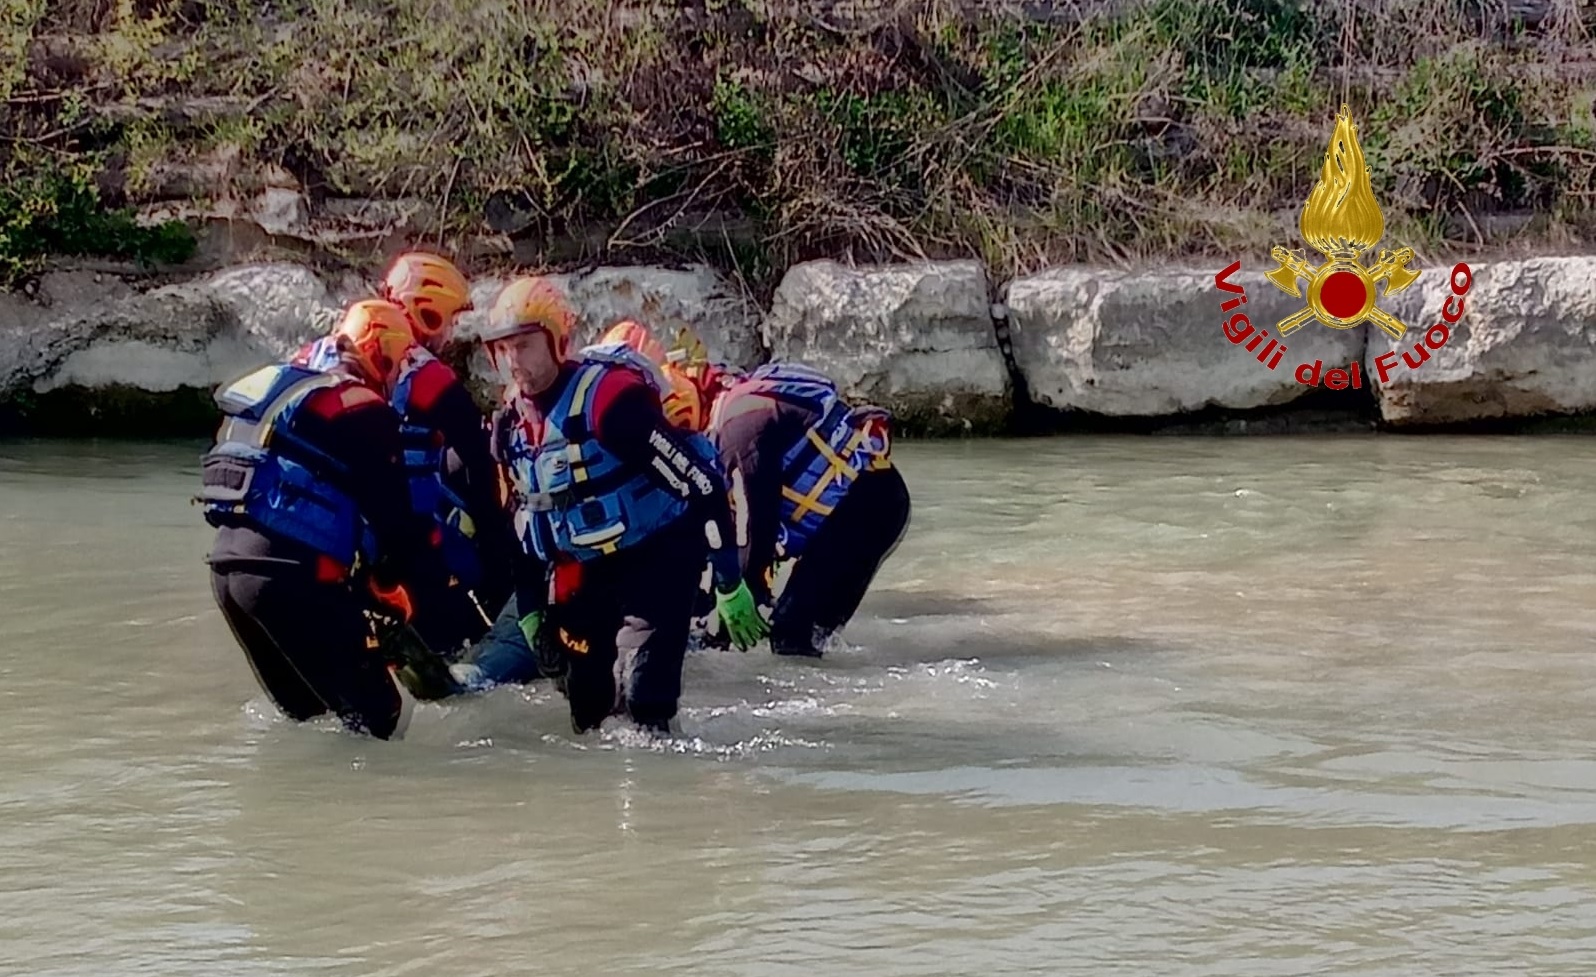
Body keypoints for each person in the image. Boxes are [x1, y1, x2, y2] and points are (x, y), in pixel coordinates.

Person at [472, 276, 767, 734]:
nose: (515, 361)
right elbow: (523, 522)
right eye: (503, 349)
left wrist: (729, 582)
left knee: (641, 700)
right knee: (588, 712)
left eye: (525, 346)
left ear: (558, 342)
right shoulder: (509, 425)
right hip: (588, 569)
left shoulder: (611, 404)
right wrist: (531, 612)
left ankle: (657, 788)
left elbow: (702, 486)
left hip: (659, 555)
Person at [199, 301, 447, 739]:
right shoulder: (364, 409)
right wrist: (396, 589)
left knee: (308, 718)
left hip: (227, 575)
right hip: (291, 578)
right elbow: (394, 524)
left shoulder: (288, 398)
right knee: (381, 718)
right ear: (383, 354)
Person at [295, 253, 514, 657]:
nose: (448, 335)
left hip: (323, 530)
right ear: (425, 313)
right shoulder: (427, 375)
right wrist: (501, 550)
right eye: (447, 321)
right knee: (464, 598)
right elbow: (479, 463)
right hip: (402, 534)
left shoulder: (314, 355)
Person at [707, 362, 911, 658]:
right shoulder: (746, 405)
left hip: (869, 509)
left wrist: (740, 592)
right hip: (878, 502)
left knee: (793, 635)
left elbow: (757, 524)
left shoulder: (737, 429)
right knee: (807, 636)